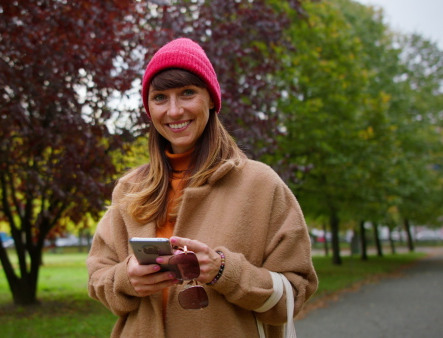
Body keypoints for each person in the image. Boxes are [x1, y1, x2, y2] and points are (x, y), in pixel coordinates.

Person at [86, 37, 318, 337]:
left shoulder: (261, 185)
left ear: (210, 98)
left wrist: (225, 271)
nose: (173, 111)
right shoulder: (130, 189)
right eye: (160, 98)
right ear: (149, 108)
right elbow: (97, 278)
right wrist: (125, 279)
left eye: (187, 93)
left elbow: (295, 293)